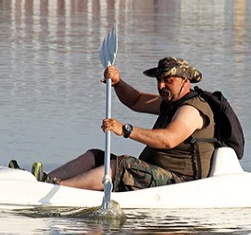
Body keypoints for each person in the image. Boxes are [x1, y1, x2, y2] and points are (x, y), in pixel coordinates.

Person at [34, 57, 216, 192]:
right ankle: (43, 181)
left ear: (185, 81)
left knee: (123, 165)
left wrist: (125, 130)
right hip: (157, 172)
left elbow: (169, 139)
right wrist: (118, 83)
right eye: (159, 80)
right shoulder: (170, 102)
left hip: (179, 183)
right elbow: (136, 100)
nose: (161, 86)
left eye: (168, 81)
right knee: (96, 156)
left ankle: (58, 190)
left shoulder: (192, 109)